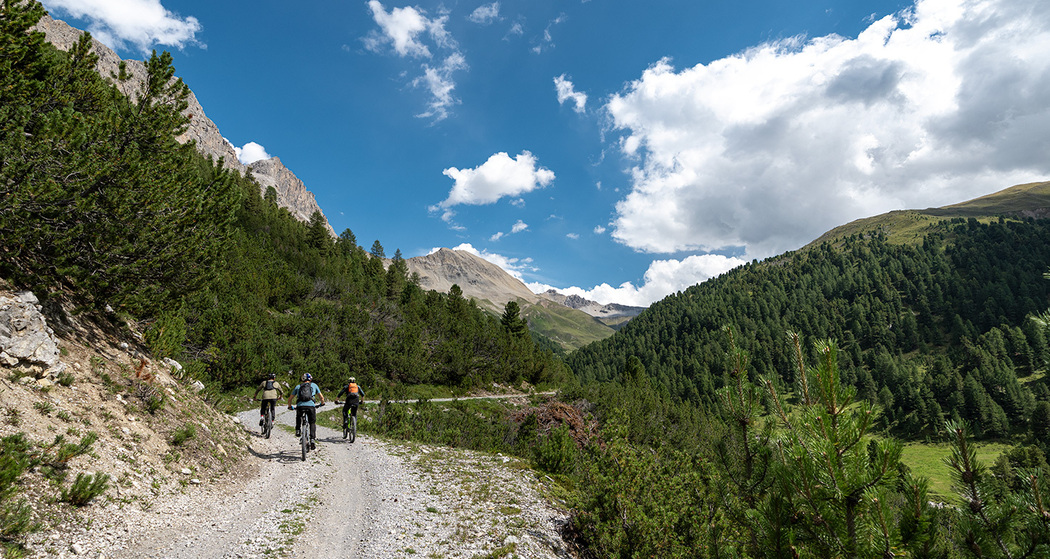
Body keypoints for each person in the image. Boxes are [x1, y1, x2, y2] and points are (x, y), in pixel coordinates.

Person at [287, 372, 325, 449]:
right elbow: (321, 397)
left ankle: (298, 430)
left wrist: (290, 406)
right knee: (312, 422)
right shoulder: (314, 385)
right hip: (311, 406)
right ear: (310, 379)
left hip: (300, 406)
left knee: (298, 417)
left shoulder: (298, 386)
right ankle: (312, 439)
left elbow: (290, 398)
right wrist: (322, 403)